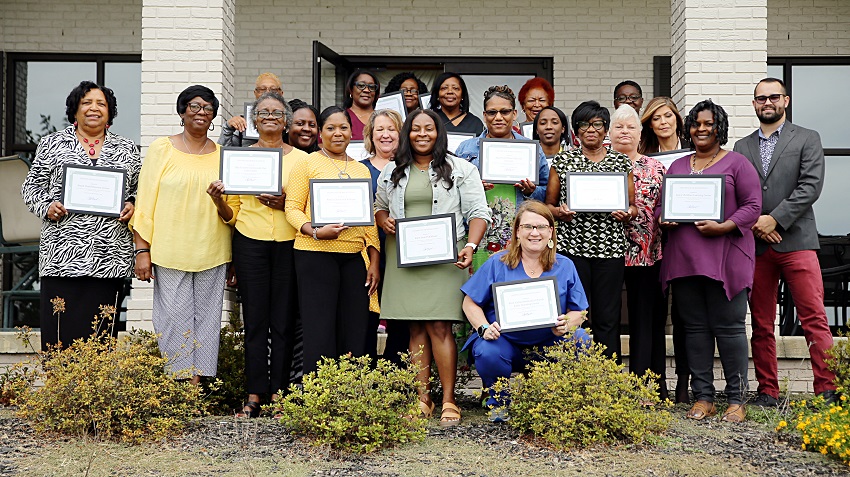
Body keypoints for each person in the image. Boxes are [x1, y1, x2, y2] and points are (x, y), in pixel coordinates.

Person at [375, 109, 490, 427]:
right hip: (405, 258)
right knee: (414, 328)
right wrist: (383, 220)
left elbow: (479, 212)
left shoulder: (462, 169)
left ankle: (449, 400)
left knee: (440, 327)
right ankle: (422, 398)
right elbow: (379, 206)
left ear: (439, 133)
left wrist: (470, 246)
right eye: (415, 129)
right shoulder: (393, 170)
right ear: (407, 134)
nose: (422, 134)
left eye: (429, 129)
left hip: (446, 256)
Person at [734, 78, 838, 407]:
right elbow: (735, 194)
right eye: (761, 98)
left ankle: (827, 390)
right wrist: (756, 224)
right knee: (762, 323)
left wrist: (774, 219)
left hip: (798, 242)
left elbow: (810, 186)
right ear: (753, 104)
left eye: (773, 96)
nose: (767, 102)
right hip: (757, 247)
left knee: (814, 318)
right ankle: (768, 391)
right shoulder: (741, 146)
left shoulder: (807, 138)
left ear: (786, 100)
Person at [658, 99, 762, 422]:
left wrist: (724, 225)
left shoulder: (737, 164)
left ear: (720, 127)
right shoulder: (677, 166)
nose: (701, 129)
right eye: (696, 124)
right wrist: (666, 218)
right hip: (685, 260)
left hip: (725, 257)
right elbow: (664, 207)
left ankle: (736, 398)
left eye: (709, 124)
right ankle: (704, 396)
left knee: (729, 328)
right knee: (695, 329)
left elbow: (753, 206)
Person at [207, 92, 307, 417]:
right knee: (254, 322)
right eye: (263, 112)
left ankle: (279, 396)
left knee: (282, 324)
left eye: (277, 113)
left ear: (286, 122)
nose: (269, 117)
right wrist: (218, 200)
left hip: (290, 245)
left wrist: (285, 203)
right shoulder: (240, 158)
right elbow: (231, 215)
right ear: (254, 120)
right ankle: (254, 395)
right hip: (249, 244)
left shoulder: (302, 160)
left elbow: (309, 207)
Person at [21, 81, 141, 350]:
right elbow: (31, 188)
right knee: (59, 333)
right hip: (62, 254)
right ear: (74, 110)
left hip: (108, 256)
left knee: (99, 335)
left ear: (110, 113)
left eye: (101, 104)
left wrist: (133, 205)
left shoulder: (127, 149)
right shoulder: (53, 144)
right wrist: (47, 206)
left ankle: (93, 392)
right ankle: (60, 390)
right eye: (86, 103)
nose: (94, 108)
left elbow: (138, 191)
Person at [133, 85, 238, 385]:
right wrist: (142, 250)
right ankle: (178, 385)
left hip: (213, 249)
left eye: (208, 108)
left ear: (214, 115)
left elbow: (231, 212)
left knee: (207, 321)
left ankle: (198, 385)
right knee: (174, 320)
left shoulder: (223, 156)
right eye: (194, 106)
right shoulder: (161, 149)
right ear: (181, 112)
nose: (201, 112)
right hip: (169, 250)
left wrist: (219, 199)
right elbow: (146, 201)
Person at [460, 200, 590, 422]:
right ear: (517, 231)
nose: (534, 233)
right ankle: (499, 402)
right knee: (487, 349)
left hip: (550, 342)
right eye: (528, 227)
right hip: (505, 343)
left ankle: (560, 400)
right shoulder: (496, 263)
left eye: (540, 227)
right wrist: (483, 328)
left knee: (580, 338)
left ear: (550, 232)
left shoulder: (565, 265)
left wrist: (567, 324)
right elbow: (469, 303)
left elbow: (580, 311)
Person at [284, 106, 380, 375]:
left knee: (354, 326)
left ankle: (350, 393)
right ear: (320, 133)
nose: (338, 133)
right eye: (330, 128)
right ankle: (319, 397)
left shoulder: (361, 170)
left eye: (344, 128)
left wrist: (374, 260)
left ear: (353, 132)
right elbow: (292, 207)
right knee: (319, 328)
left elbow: (369, 220)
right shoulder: (307, 162)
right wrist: (314, 231)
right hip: (314, 254)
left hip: (354, 258)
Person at [545, 100, 637, 363]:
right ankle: (577, 380)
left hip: (609, 250)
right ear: (576, 131)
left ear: (605, 129)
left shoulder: (621, 162)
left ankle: (607, 381)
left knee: (608, 317)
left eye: (597, 124)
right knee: (576, 314)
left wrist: (627, 213)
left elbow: (633, 207)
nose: (591, 129)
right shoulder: (563, 161)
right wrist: (559, 212)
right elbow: (549, 206)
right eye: (584, 124)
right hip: (572, 251)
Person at [455, 85, 549, 269]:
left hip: (519, 231)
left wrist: (531, 191)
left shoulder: (531, 150)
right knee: (480, 288)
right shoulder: (466, 149)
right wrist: (472, 189)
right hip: (477, 233)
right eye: (492, 112)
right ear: (484, 115)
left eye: (504, 112)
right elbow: (451, 193)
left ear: (514, 114)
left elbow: (547, 193)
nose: (498, 117)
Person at [609, 105, 668, 399]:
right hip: (605, 254)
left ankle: (646, 387)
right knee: (606, 319)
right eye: (618, 126)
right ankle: (608, 386)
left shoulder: (655, 167)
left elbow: (667, 206)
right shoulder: (598, 165)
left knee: (645, 321)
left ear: (640, 133)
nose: (624, 132)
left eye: (630, 127)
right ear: (609, 132)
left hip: (648, 254)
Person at [637, 96, 690, 402]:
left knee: (683, 316)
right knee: (655, 316)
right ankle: (655, 385)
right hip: (653, 245)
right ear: (649, 124)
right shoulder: (645, 158)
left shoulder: (694, 154)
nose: (663, 122)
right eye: (656, 118)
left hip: (686, 242)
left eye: (668, 115)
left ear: (677, 119)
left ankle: (683, 384)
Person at [360, 109, 409, 366]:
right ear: (370, 134)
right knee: (367, 315)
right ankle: (365, 376)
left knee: (400, 317)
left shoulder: (410, 169)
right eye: (380, 129)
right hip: (366, 251)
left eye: (392, 129)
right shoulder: (359, 170)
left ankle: (395, 376)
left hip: (402, 251)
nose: (386, 135)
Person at [219, 73, 283, 147]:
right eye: (262, 89)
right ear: (255, 93)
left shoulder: (288, 122)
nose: (268, 93)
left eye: (273, 89)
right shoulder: (243, 124)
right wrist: (228, 128)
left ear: (281, 93)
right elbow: (224, 154)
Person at [343, 69, 380, 141]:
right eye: (361, 85)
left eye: (371, 87)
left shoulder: (382, 118)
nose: (366, 90)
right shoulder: (341, 117)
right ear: (351, 89)